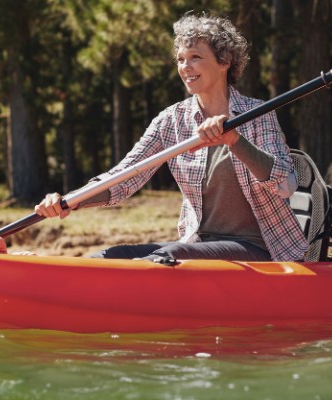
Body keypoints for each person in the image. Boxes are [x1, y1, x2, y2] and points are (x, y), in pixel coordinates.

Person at [34, 13, 304, 264]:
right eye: (180, 59)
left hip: (260, 249)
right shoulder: (171, 120)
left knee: (168, 256)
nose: (186, 66)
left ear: (225, 62)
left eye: (196, 56)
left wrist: (235, 140)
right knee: (110, 255)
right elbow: (124, 177)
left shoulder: (258, 115)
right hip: (196, 245)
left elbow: (284, 183)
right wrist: (72, 199)